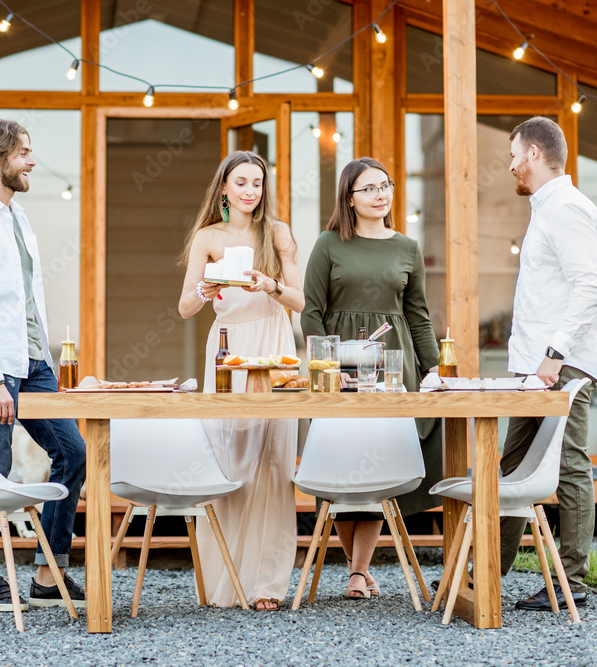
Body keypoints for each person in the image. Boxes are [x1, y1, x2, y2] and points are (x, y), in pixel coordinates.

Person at [0, 119, 87, 612]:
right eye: (24, 153)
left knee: (73, 452)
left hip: (33, 362)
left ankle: (48, 575)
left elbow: (25, 299)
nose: (31, 161)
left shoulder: (17, 218)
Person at [301, 157, 441, 600]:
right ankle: (355, 566)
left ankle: (358, 571)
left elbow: (418, 316)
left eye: (386, 185)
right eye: (370, 188)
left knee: (380, 460)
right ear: (349, 198)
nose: (381, 195)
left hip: (395, 368)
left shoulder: (408, 248)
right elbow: (311, 311)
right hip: (339, 364)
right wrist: (326, 367)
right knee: (342, 462)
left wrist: (434, 368)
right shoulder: (328, 244)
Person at [178, 150, 304, 611]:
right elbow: (185, 307)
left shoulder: (278, 233)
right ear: (225, 187)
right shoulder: (207, 237)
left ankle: (268, 584)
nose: (251, 191)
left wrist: (268, 285)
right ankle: (225, 579)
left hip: (275, 344)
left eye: (258, 183)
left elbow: (300, 301)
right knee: (232, 460)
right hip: (228, 347)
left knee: (274, 464)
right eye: (242, 182)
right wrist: (204, 289)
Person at [501, 116, 597, 611]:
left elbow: (591, 288)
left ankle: (574, 583)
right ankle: (484, 575)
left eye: (513, 154)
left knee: (568, 466)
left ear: (536, 154)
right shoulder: (545, 210)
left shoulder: (566, 208)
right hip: (535, 369)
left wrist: (554, 354)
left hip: (560, 367)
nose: (510, 165)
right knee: (508, 469)